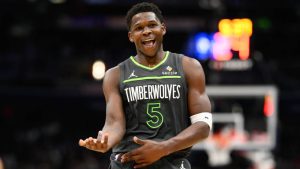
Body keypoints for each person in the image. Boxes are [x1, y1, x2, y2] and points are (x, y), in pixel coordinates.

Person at [79, 2, 212, 169]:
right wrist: (105, 141)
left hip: (172, 162)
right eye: (139, 28)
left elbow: (203, 127)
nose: (147, 31)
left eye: (152, 25)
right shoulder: (115, 75)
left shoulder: (189, 67)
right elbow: (114, 124)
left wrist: (163, 148)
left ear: (163, 28)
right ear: (131, 36)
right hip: (127, 163)